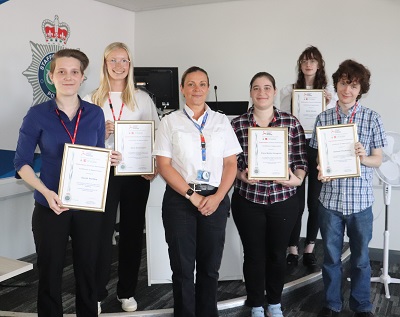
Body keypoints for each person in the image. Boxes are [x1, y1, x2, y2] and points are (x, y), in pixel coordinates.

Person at [14, 49, 120, 317]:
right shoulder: (37, 114)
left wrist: (108, 159)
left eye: (75, 72)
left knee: (88, 272)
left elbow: (95, 155)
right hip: (50, 206)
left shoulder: (95, 114)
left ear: (83, 77)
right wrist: (45, 192)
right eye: (61, 71)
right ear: (51, 76)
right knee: (50, 274)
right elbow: (22, 163)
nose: (68, 77)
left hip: (87, 207)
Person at [153, 66, 242, 317]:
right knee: (182, 268)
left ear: (207, 87)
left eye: (202, 84)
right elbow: (164, 165)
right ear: (182, 89)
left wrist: (218, 197)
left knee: (210, 268)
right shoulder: (169, 121)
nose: (197, 89)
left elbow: (230, 163)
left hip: (215, 199)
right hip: (181, 200)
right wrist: (193, 196)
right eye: (191, 84)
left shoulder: (221, 121)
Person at [84, 42, 159, 314]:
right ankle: (97, 293)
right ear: (105, 64)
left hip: (136, 174)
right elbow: (81, 142)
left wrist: (153, 166)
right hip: (103, 174)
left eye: (124, 60)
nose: (119, 65)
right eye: (113, 60)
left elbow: (156, 137)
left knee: (131, 233)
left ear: (130, 65)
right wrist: (99, 134)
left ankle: (127, 291)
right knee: (101, 235)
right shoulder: (92, 99)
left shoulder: (143, 99)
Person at [310, 60, 387, 317]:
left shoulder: (372, 118)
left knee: (361, 260)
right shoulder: (323, 117)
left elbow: (378, 159)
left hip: (360, 202)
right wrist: (322, 168)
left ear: (360, 88)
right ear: (337, 84)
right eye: (343, 83)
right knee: (331, 259)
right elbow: (320, 158)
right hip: (330, 202)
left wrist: (364, 157)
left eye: (353, 85)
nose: (347, 89)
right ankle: (332, 304)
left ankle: (362, 306)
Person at [231, 72, 308, 317]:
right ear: (251, 92)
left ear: (274, 92)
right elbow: (230, 162)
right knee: (253, 255)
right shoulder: (237, 124)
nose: (261, 92)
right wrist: (241, 175)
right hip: (248, 200)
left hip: (282, 201)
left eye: (267, 87)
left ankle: (274, 302)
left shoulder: (291, 122)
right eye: (256, 88)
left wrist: (296, 179)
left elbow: (301, 160)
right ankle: (255, 304)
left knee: (277, 255)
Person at [280, 46, 337, 269]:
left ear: (320, 64)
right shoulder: (290, 90)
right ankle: (292, 248)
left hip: (319, 150)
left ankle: (310, 248)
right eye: (304, 60)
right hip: (297, 148)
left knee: (315, 202)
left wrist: (329, 101)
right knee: (295, 203)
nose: (308, 64)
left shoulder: (329, 92)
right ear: (300, 65)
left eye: (312, 60)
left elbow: (333, 123)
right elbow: (284, 120)